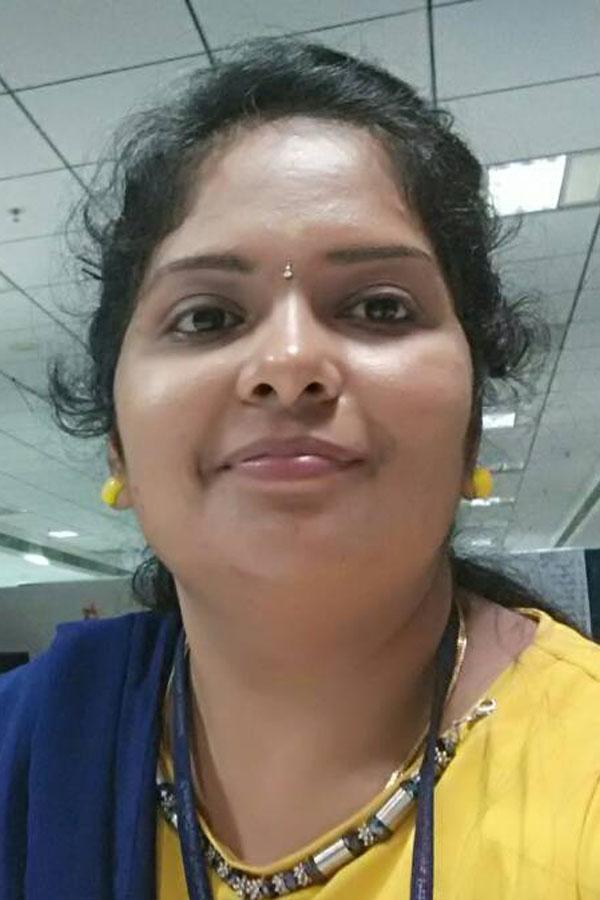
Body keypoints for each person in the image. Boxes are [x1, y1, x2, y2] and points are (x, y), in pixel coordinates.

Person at [1, 38, 599, 900]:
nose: (288, 362)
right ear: (118, 447)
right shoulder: (31, 756)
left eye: (379, 307)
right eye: (206, 318)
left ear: (471, 428)